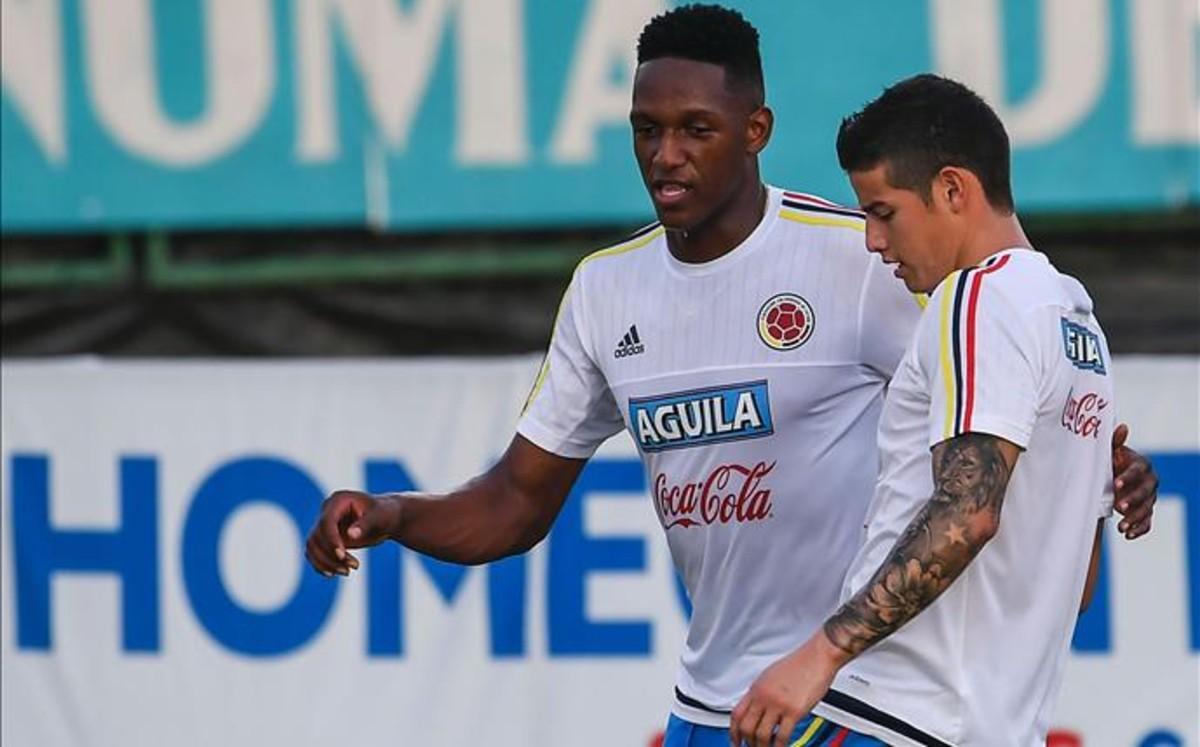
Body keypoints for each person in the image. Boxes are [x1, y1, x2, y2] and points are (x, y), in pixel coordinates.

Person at [304, 8, 1157, 746]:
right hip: (717, 702)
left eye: (695, 129)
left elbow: (982, 478)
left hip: (845, 700)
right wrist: (396, 513)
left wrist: (1074, 472)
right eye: (646, 128)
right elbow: (516, 501)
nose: (665, 154)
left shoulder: (879, 268)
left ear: (755, 131)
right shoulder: (608, 291)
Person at [731, 74, 1146, 747]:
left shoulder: (978, 298)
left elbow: (968, 511)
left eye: (882, 211)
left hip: (896, 714)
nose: (871, 239)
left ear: (954, 190)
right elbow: (1074, 588)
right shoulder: (1079, 323)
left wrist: (821, 654)